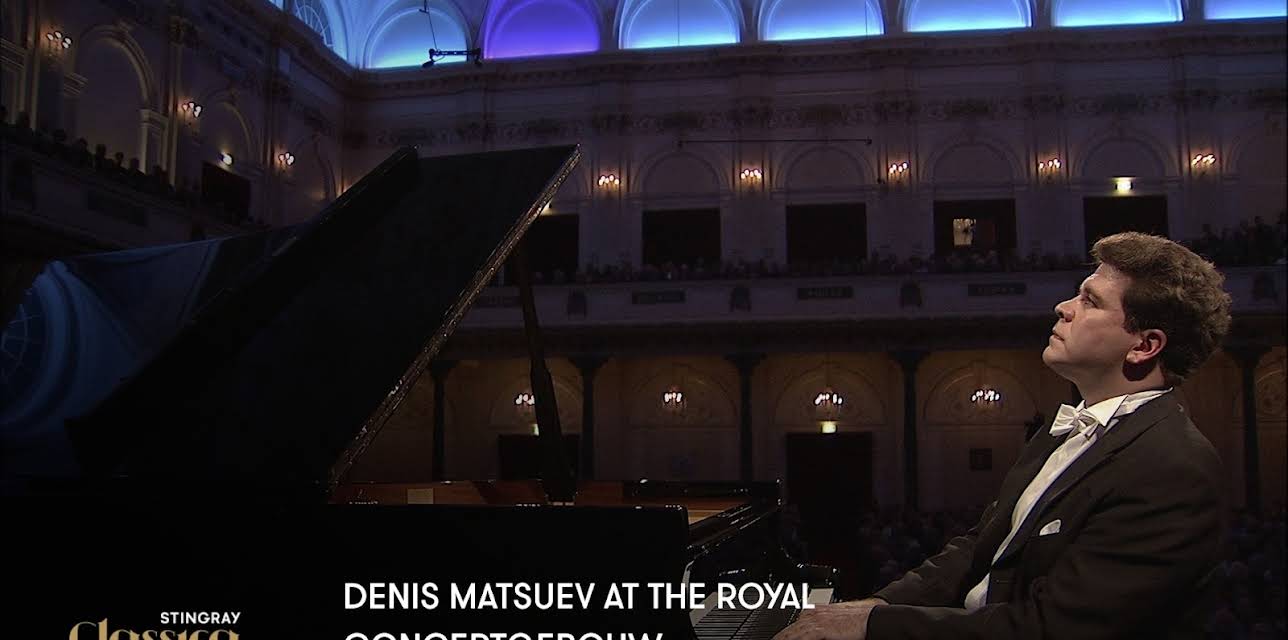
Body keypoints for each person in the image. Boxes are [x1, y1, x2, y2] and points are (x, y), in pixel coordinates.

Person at [775, 232, 1233, 640]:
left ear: (1144, 346)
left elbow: (1051, 629)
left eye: (1090, 301)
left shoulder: (1172, 467)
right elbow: (979, 549)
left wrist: (873, 626)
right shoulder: (1059, 433)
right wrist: (875, 605)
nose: (1063, 307)